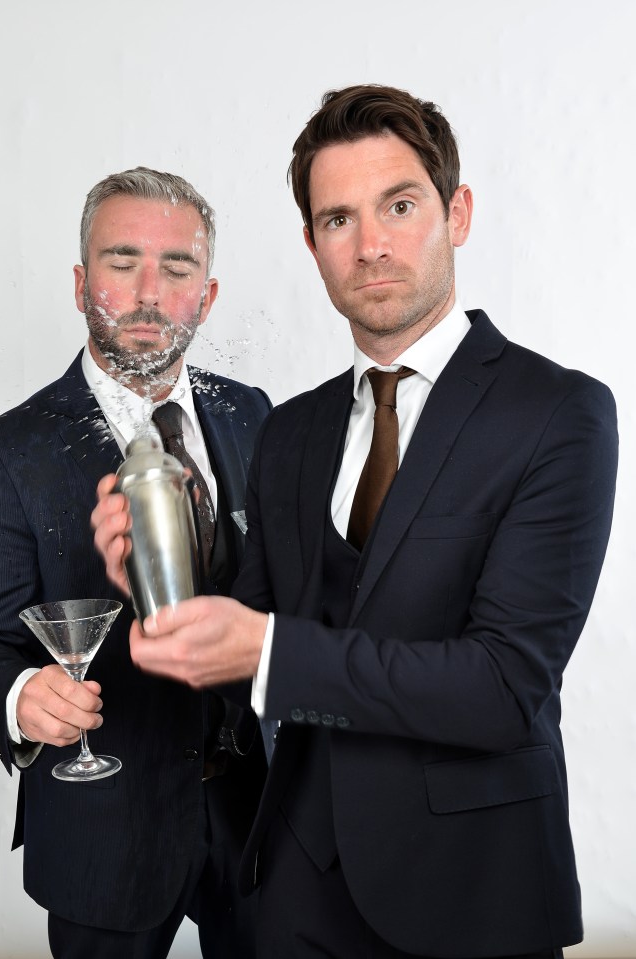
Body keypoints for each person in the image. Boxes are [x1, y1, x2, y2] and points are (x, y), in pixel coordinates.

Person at [92, 87, 619, 959]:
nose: (370, 244)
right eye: (337, 219)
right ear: (311, 244)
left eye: (399, 205)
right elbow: (245, 654)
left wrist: (263, 649)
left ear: (457, 212)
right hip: (291, 888)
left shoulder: (558, 412)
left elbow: (501, 687)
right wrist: (160, 582)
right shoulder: (291, 429)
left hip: (472, 892)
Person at [0, 167, 270, 959]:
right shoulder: (3, 454)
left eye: (177, 267)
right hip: (104, 830)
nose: (149, 290)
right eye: (123, 263)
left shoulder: (257, 414)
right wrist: (23, 695)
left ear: (209, 294)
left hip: (261, 820)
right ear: (83, 282)